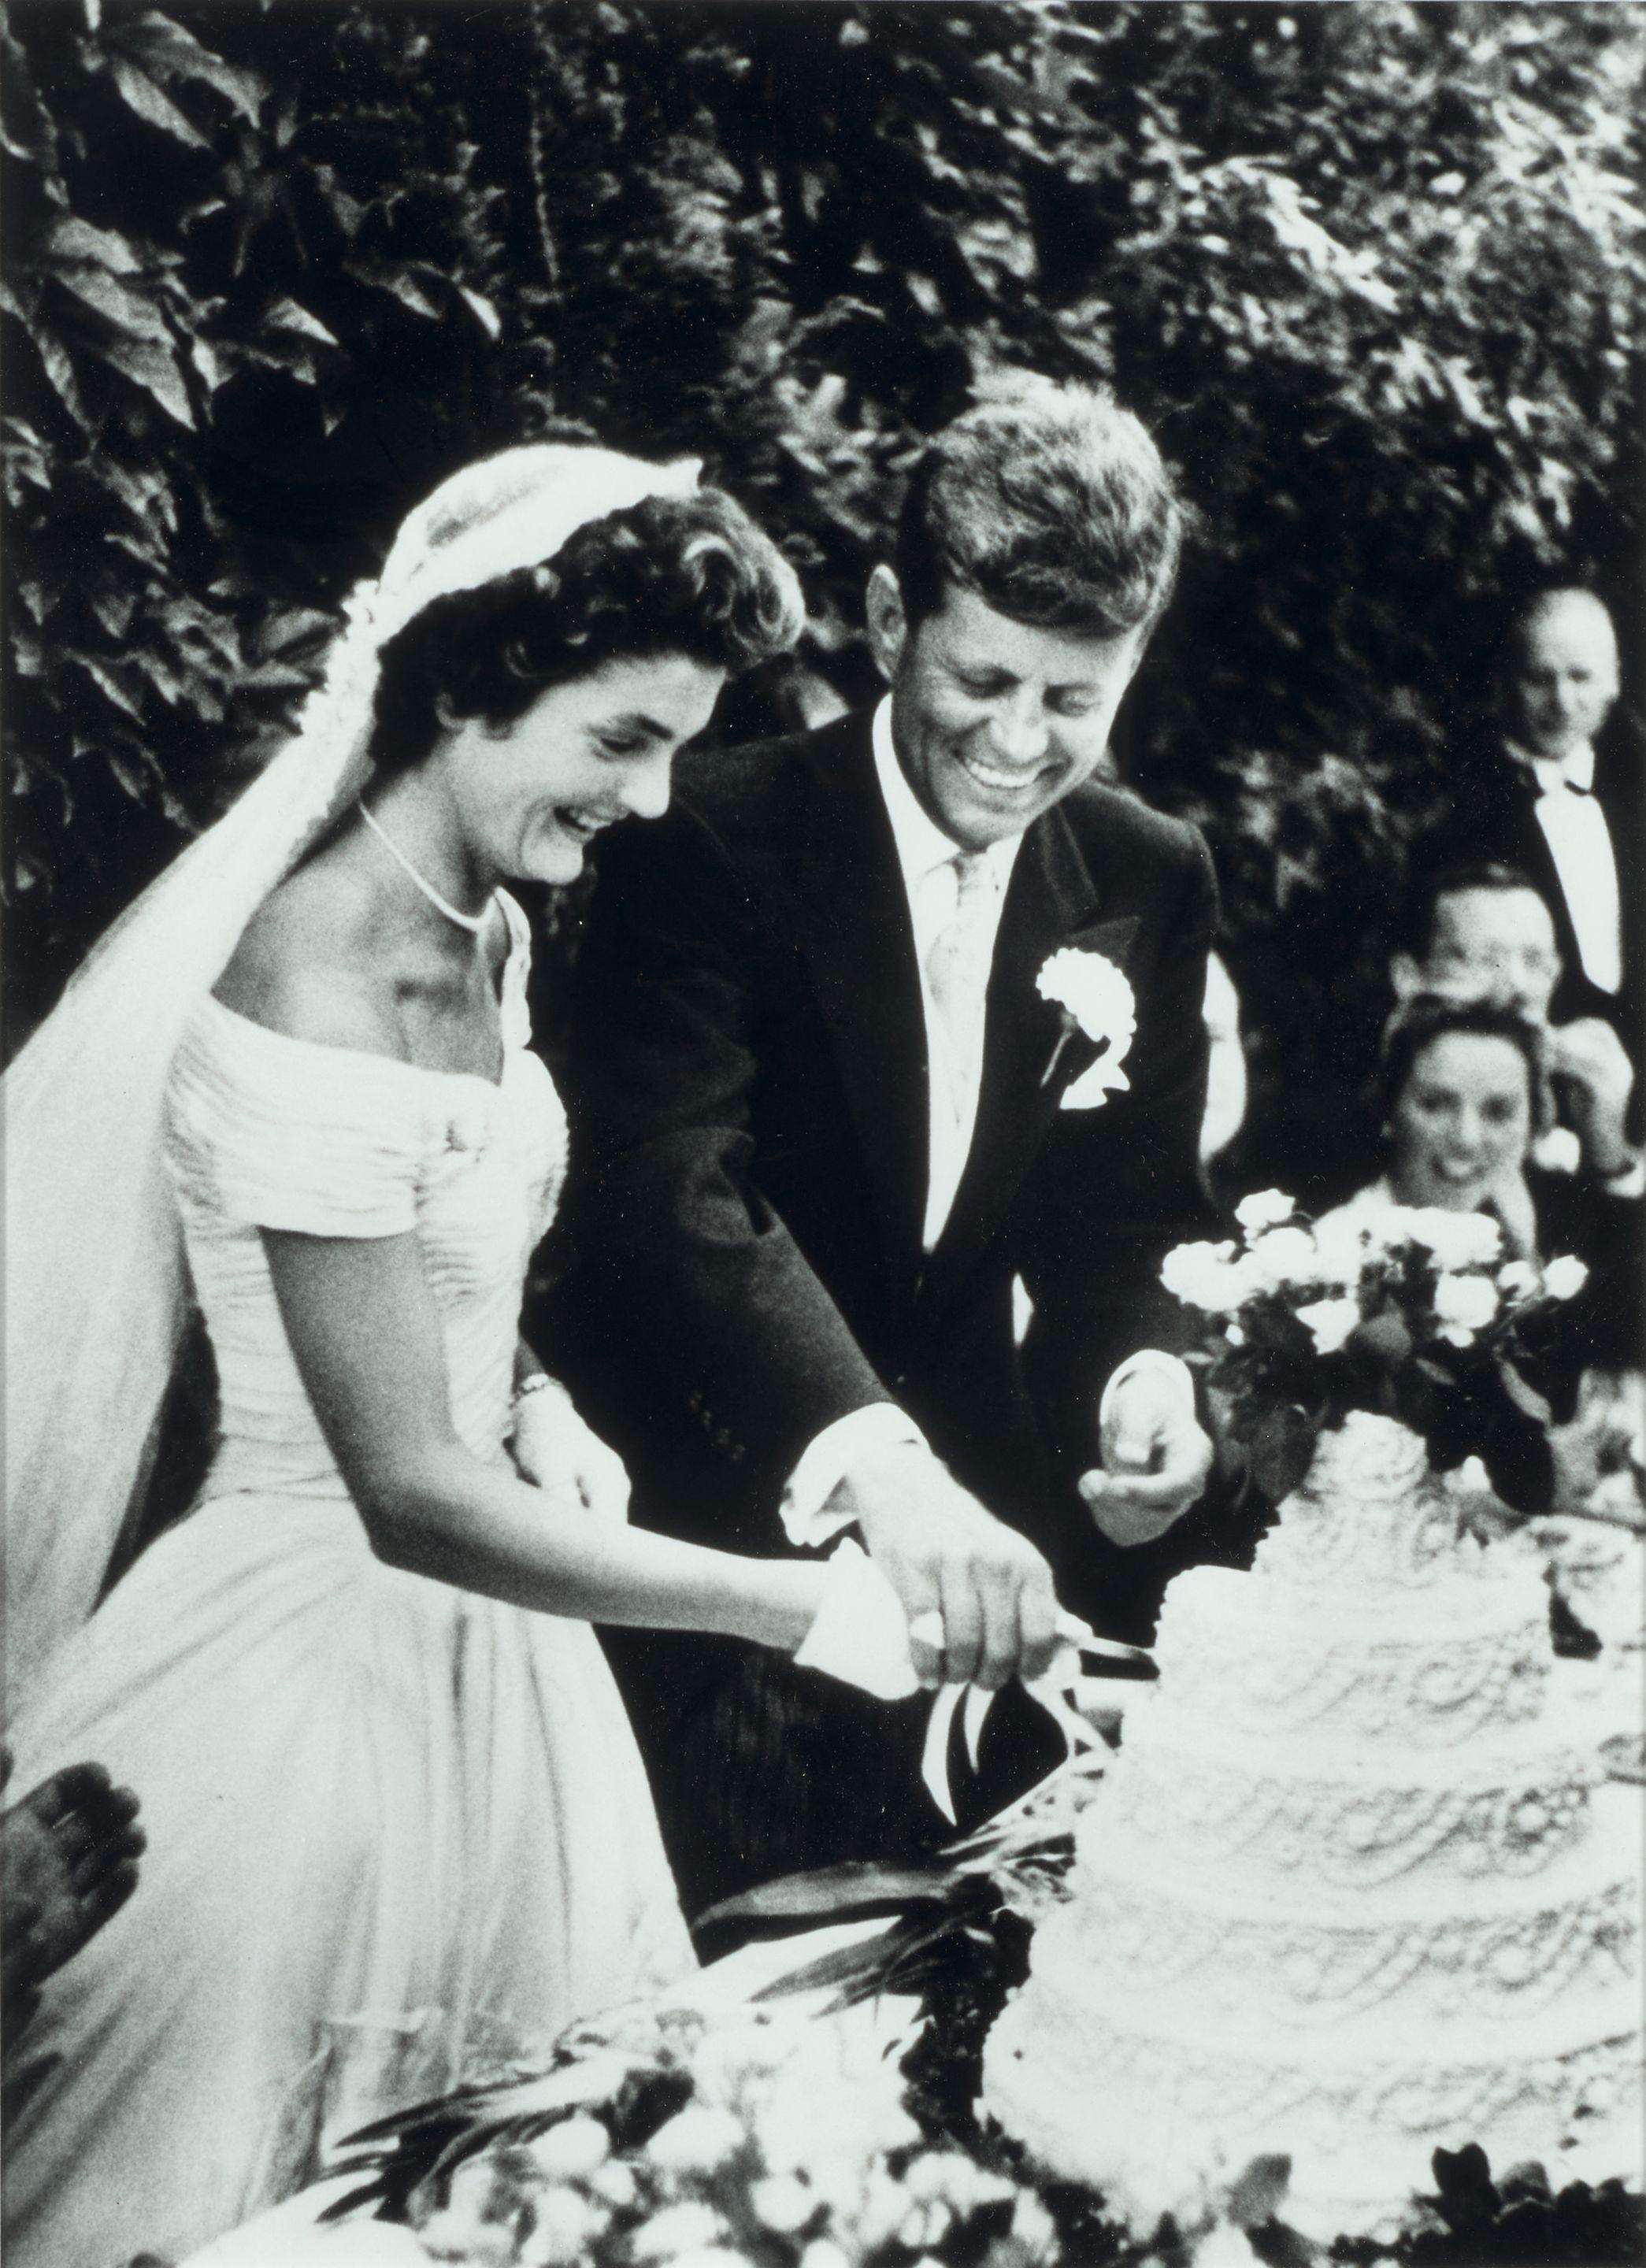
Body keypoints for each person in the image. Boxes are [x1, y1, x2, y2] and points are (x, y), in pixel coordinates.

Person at [0, 443, 889, 2267]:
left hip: (498, 1662)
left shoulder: (481, 916)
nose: (649, 799)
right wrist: (790, 1605)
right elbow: (400, 1489)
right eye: (620, 738)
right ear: (479, 683)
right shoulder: (316, 982)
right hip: (299, 1686)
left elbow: (437, 1284)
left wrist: (536, 1399)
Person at [547, 380, 1219, 1911]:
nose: (1016, 741)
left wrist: (1147, 1381)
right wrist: (879, 1474)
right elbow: (673, 1190)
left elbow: (1131, 1229)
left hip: (975, 1611)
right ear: (884, 618)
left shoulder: (1146, 875)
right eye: (982, 679)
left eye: (1074, 700)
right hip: (699, 1578)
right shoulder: (702, 834)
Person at [1326, 995, 1640, 1369]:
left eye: (1499, 1111)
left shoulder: (1558, 1235)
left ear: (1533, 1125)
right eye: (1435, 1104)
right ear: (1390, 1112)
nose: (1467, 1138)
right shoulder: (1335, 1252)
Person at [1431, 587, 1641, 1048]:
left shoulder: (1635, 793)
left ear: (1615, 682)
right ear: (1507, 684)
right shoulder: (1467, 813)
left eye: (1581, 677)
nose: (1562, 701)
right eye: (1540, 679)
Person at [1390, 862, 1642, 1195]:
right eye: (1487, 959)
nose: (1519, 986)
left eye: (1535, 962)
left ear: (1555, 976)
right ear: (1409, 977)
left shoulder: (1561, 1108)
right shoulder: (1346, 1117)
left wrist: (1606, 1145)